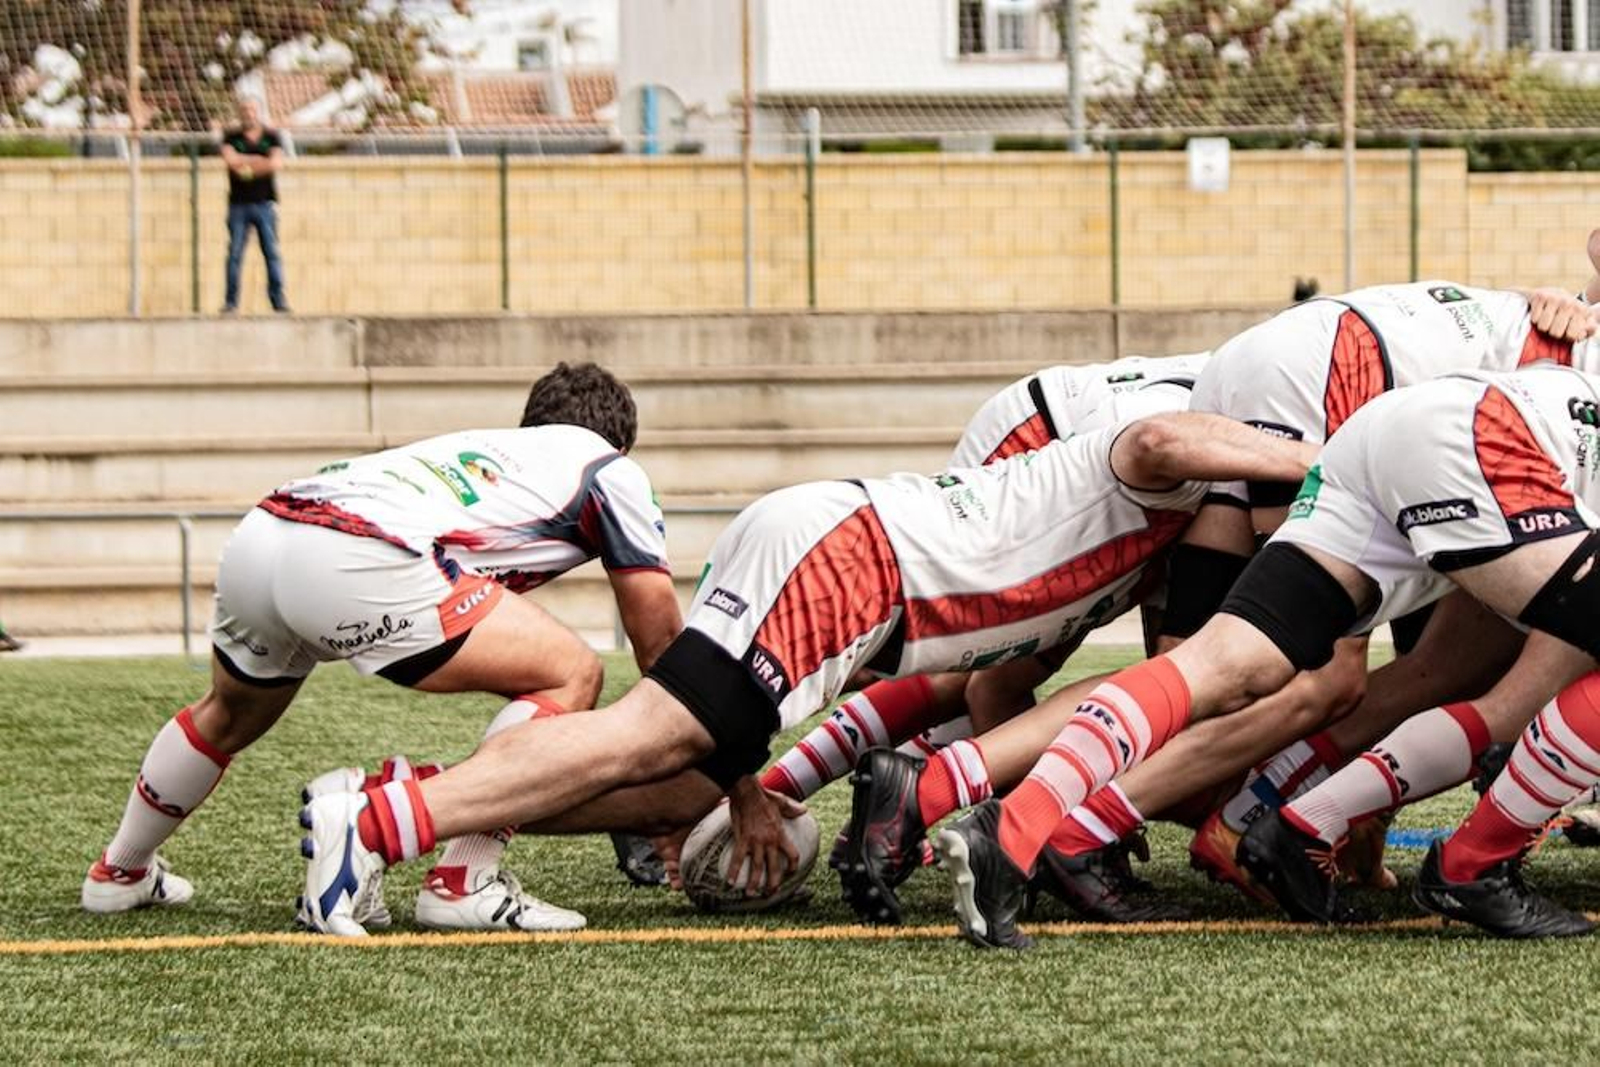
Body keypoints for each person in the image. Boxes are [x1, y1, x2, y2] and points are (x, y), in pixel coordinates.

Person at [294, 405, 1318, 937]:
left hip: (848, 553)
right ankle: (383, 826)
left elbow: (989, 688)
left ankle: (404, 803)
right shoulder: (1182, 434)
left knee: (684, 768)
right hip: (857, 561)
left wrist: (749, 790)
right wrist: (1324, 454)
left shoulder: (1163, 531)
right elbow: (1155, 436)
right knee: (653, 731)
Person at [937, 364, 1600, 947]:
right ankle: (1473, 866)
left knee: (1220, 665)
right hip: (1494, 437)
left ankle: (1011, 824)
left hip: (1388, 429)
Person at [82, 362, 682, 933]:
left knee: (228, 713)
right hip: (359, 555)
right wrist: (692, 773)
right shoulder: (609, 468)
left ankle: (120, 869)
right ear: (619, 443)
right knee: (572, 674)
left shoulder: (489, 446)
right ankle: (462, 879)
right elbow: (659, 645)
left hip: (266, 532)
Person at [220, 97, 289, 314]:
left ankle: (278, 302)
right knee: (235, 255)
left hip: (265, 204)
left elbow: (276, 163)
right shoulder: (231, 136)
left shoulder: (271, 136)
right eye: (245, 109)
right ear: (240, 112)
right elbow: (231, 162)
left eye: (252, 109)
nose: (249, 113)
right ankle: (231, 303)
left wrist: (246, 163)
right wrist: (262, 161)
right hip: (238, 205)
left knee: (271, 252)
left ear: (258, 112)